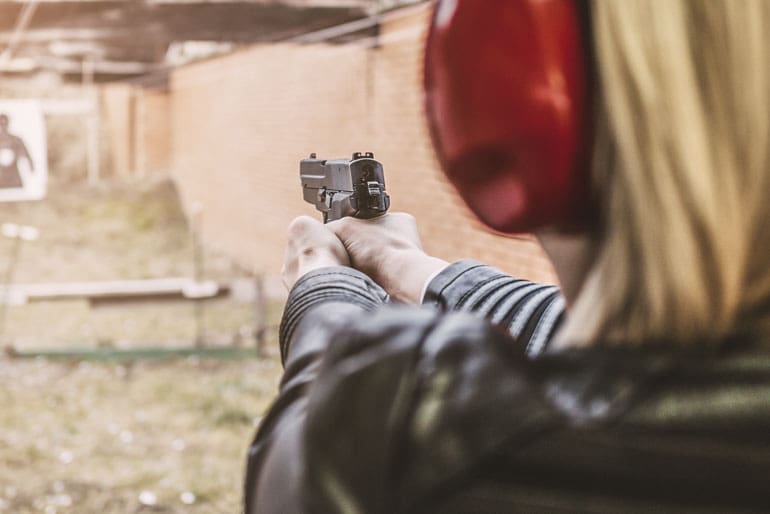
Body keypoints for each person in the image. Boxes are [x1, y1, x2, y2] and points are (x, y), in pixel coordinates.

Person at [245, 1, 770, 512]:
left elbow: (314, 458)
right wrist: (410, 266)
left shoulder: (434, 448)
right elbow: (592, 334)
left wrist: (322, 286)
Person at [0, 113, 35, 189]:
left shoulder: (16, 140)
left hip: (14, 177)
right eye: (1, 124)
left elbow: (26, 155)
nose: (3, 126)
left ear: (8, 124)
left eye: (4, 124)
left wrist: (31, 168)